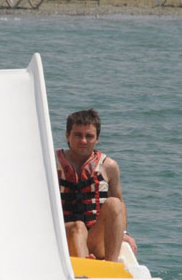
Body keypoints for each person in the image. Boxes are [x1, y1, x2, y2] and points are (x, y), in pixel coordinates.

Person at [56, 109, 136, 263]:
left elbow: (120, 204)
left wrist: (123, 233)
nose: (83, 141)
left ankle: (110, 266)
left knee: (114, 203)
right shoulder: (51, 163)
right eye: (78, 135)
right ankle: (85, 268)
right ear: (67, 135)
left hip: (95, 238)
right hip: (63, 237)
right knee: (77, 227)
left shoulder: (109, 166)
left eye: (89, 136)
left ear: (97, 138)